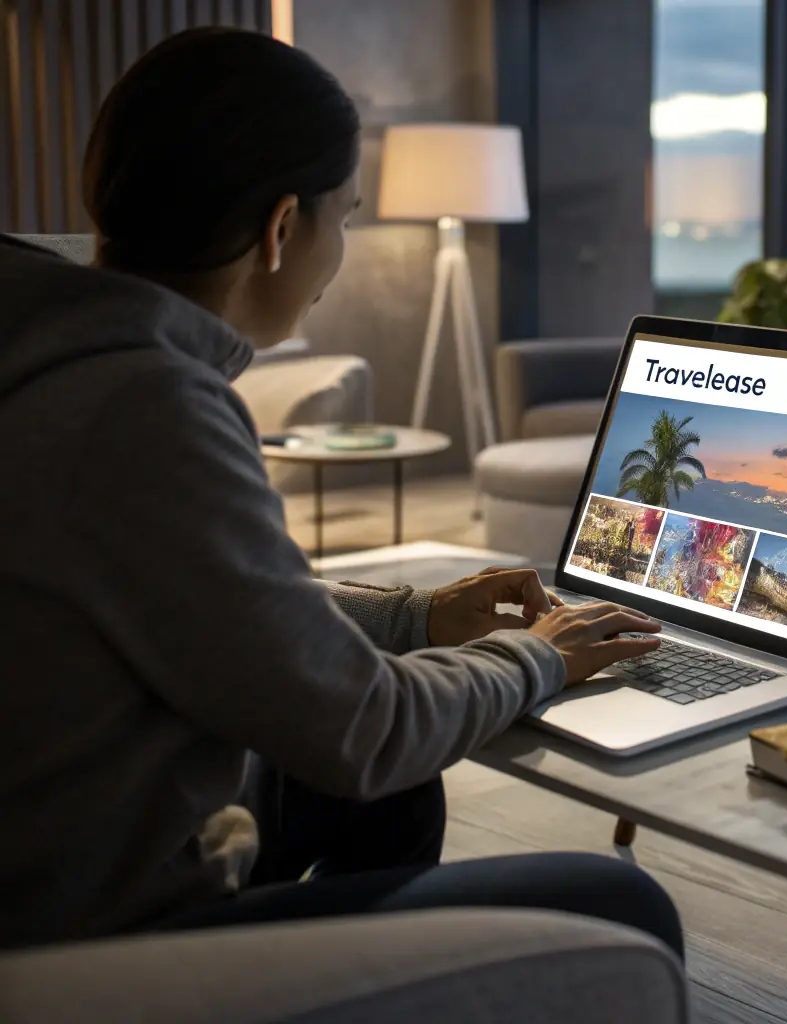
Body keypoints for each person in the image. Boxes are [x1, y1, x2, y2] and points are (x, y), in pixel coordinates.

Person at [0, 27, 681, 958]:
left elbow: (217, 603)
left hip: (55, 839)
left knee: (386, 793)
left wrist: (417, 618)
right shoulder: (144, 408)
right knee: (624, 910)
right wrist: (540, 656)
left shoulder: (45, 344)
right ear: (282, 229)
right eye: (346, 217)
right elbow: (368, 727)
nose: (342, 249)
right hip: (97, 930)